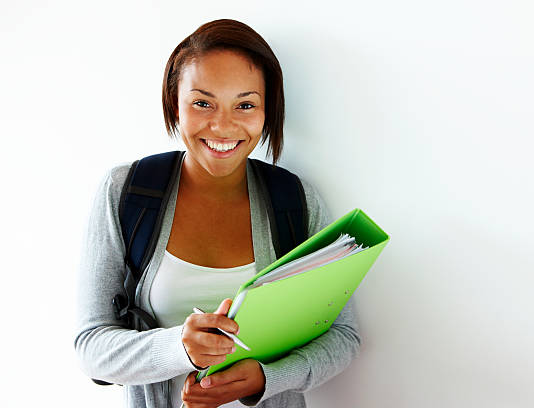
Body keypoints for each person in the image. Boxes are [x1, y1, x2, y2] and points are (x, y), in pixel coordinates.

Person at [74, 18, 361, 408]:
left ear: (267, 111)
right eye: (202, 103)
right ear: (174, 105)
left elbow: (344, 335)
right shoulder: (126, 192)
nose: (223, 126)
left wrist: (266, 377)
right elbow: (91, 346)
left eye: (245, 105)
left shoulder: (296, 200)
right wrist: (181, 348)